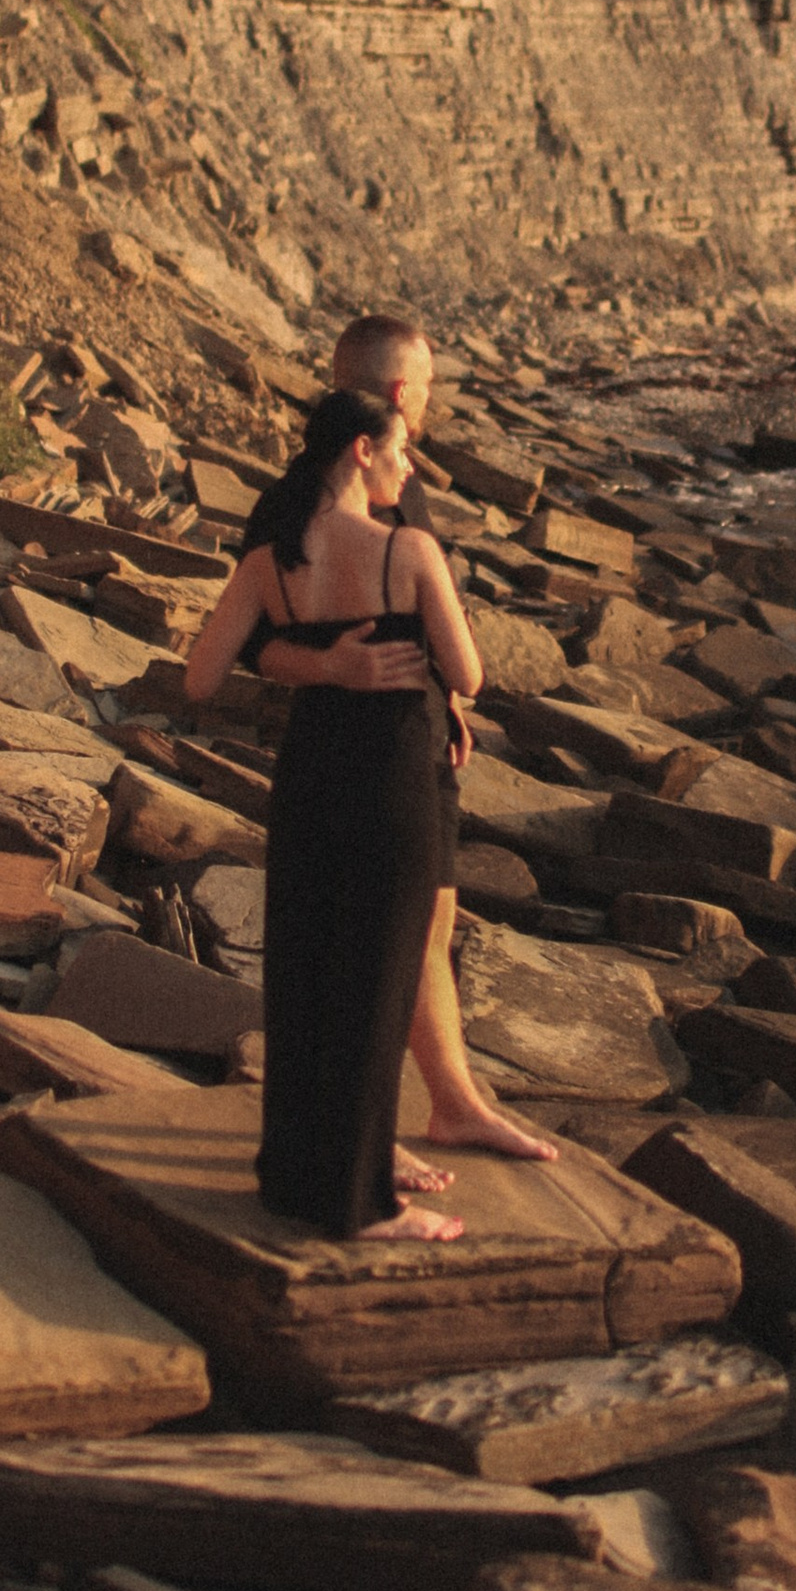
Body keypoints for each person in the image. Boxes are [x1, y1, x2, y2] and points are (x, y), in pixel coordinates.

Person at [249, 314, 557, 1171]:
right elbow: (252, 647)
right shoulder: (297, 501)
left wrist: (447, 707)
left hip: (421, 740)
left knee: (433, 920)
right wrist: (335, 668)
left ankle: (453, 1105)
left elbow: (413, 617)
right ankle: (363, 1138)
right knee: (372, 943)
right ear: (394, 392)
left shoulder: (396, 474)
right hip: (356, 757)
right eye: (424, 386)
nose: (429, 401)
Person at [184, 386, 484, 1243]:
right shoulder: (409, 549)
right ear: (361, 449)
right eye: (401, 448)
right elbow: (467, 675)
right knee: (377, 986)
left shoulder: (267, 561)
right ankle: (363, 1205)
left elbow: (201, 679)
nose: (409, 466)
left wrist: (322, 665)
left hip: (310, 776)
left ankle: (291, 1179)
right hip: (392, 781)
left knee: (304, 976)